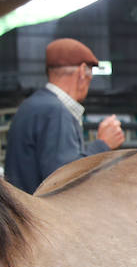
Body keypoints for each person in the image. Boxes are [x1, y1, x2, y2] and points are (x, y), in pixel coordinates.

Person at [3, 38, 125, 193]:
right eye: (91, 74)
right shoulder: (56, 112)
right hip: (39, 214)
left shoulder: (32, 104)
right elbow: (63, 179)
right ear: (82, 71)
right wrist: (103, 144)